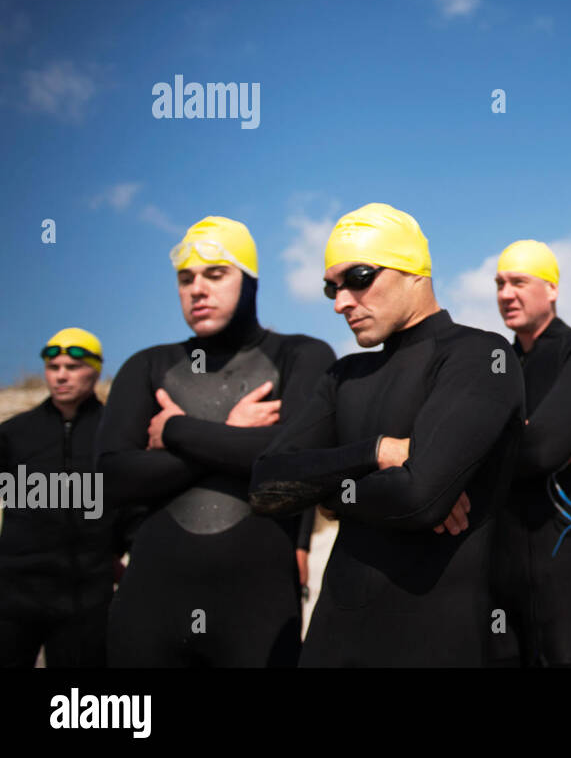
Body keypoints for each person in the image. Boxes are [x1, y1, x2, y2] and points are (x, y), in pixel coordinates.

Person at [249, 203, 523, 666]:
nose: (341, 302)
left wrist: (329, 495)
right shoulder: (346, 375)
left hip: (438, 642)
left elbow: (421, 497)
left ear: (414, 271)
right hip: (331, 642)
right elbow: (265, 484)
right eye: (330, 288)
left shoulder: (480, 356)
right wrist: (375, 453)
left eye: (358, 278)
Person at [95, 217, 333, 667]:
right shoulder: (147, 364)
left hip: (257, 607)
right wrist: (236, 433)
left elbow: (295, 462)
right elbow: (111, 478)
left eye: (215, 274)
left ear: (250, 282)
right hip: (150, 603)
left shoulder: (302, 355)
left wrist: (175, 432)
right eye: (185, 279)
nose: (197, 289)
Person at [493, 239, 571, 667]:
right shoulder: (497, 366)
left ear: (551, 289)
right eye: (499, 284)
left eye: (519, 282)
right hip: (502, 567)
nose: (506, 293)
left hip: (568, 562)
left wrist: (494, 442)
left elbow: (539, 449)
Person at [0, 329, 128, 667]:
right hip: (14, 595)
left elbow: (133, 502)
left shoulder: (116, 433)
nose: (61, 375)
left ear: (96, 370)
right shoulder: (15, 434)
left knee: (77, 710)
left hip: (85, 599)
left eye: (72, 366)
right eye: (53, 366)